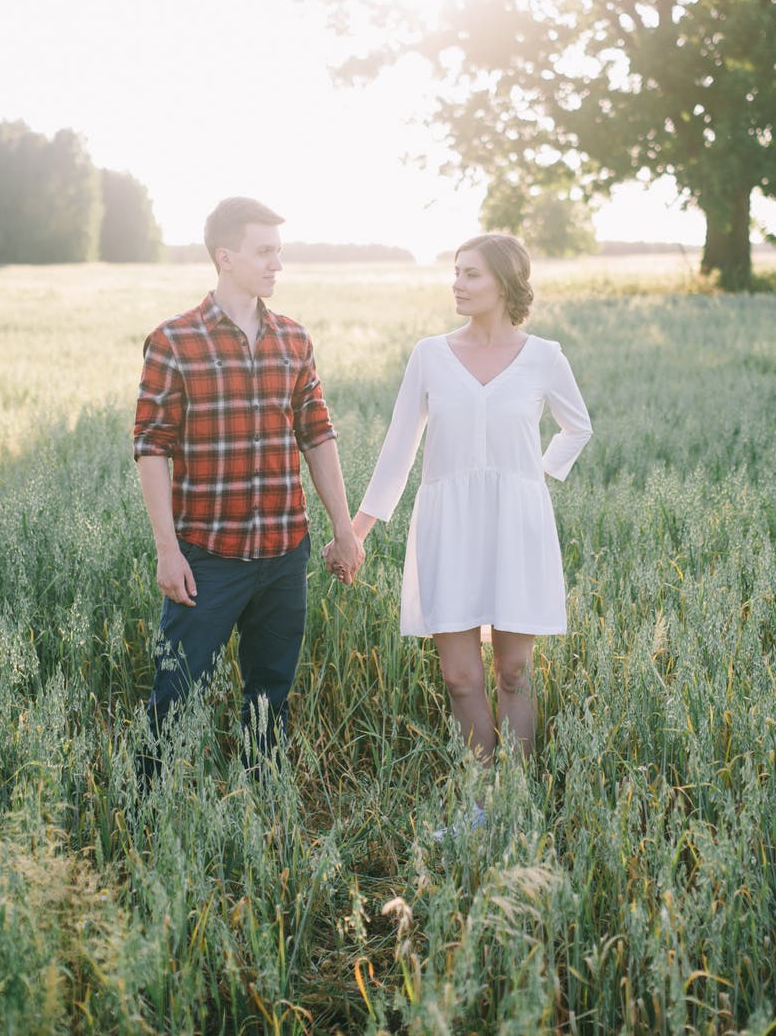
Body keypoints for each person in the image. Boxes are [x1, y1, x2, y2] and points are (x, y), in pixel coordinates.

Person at [335, 232, 592, 780]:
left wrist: (533, 477)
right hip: (447, 525)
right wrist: (357, 531)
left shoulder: (544, 357)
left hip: (516, 527)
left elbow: (579, 427)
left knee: (515, 672)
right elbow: (398, 451)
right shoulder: (430, 355)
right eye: (456, 271)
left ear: (505, 281)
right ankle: (480, 802)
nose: (457, 283)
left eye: (471, 273)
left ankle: (514, 803)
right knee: (459, 677)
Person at [133, 197, 364, 777]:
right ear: (225, 256)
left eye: (279, 253)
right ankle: (140, 814)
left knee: (270, 696)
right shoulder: (174, 340)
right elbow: (151, 446)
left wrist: (342, 528)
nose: (276, 265)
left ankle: (266, 807)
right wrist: (167, 549)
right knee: (175, 693)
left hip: (287, 551)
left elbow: (318, 434)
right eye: (265, 252)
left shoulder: (293, 339)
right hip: (208, 556)